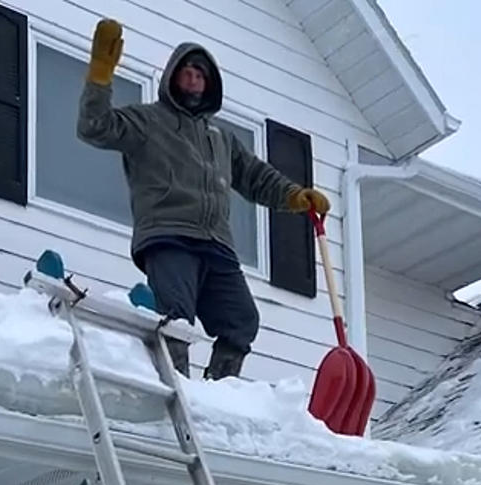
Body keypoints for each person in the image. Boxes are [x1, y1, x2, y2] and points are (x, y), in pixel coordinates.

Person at [78, 19, 330, 380]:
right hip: (169, 234)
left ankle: (216, 394)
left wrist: (294, 196)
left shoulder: (220, 138)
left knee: (241, 321)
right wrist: (100, 75)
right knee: (175, 318)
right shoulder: (148, 121)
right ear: (172, 78)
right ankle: (174, 385)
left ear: (209, 83)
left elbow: (256, 176)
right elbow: (94, 126)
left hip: (217, 244)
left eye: (201, 74)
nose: (194, 79)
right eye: (187, 72)